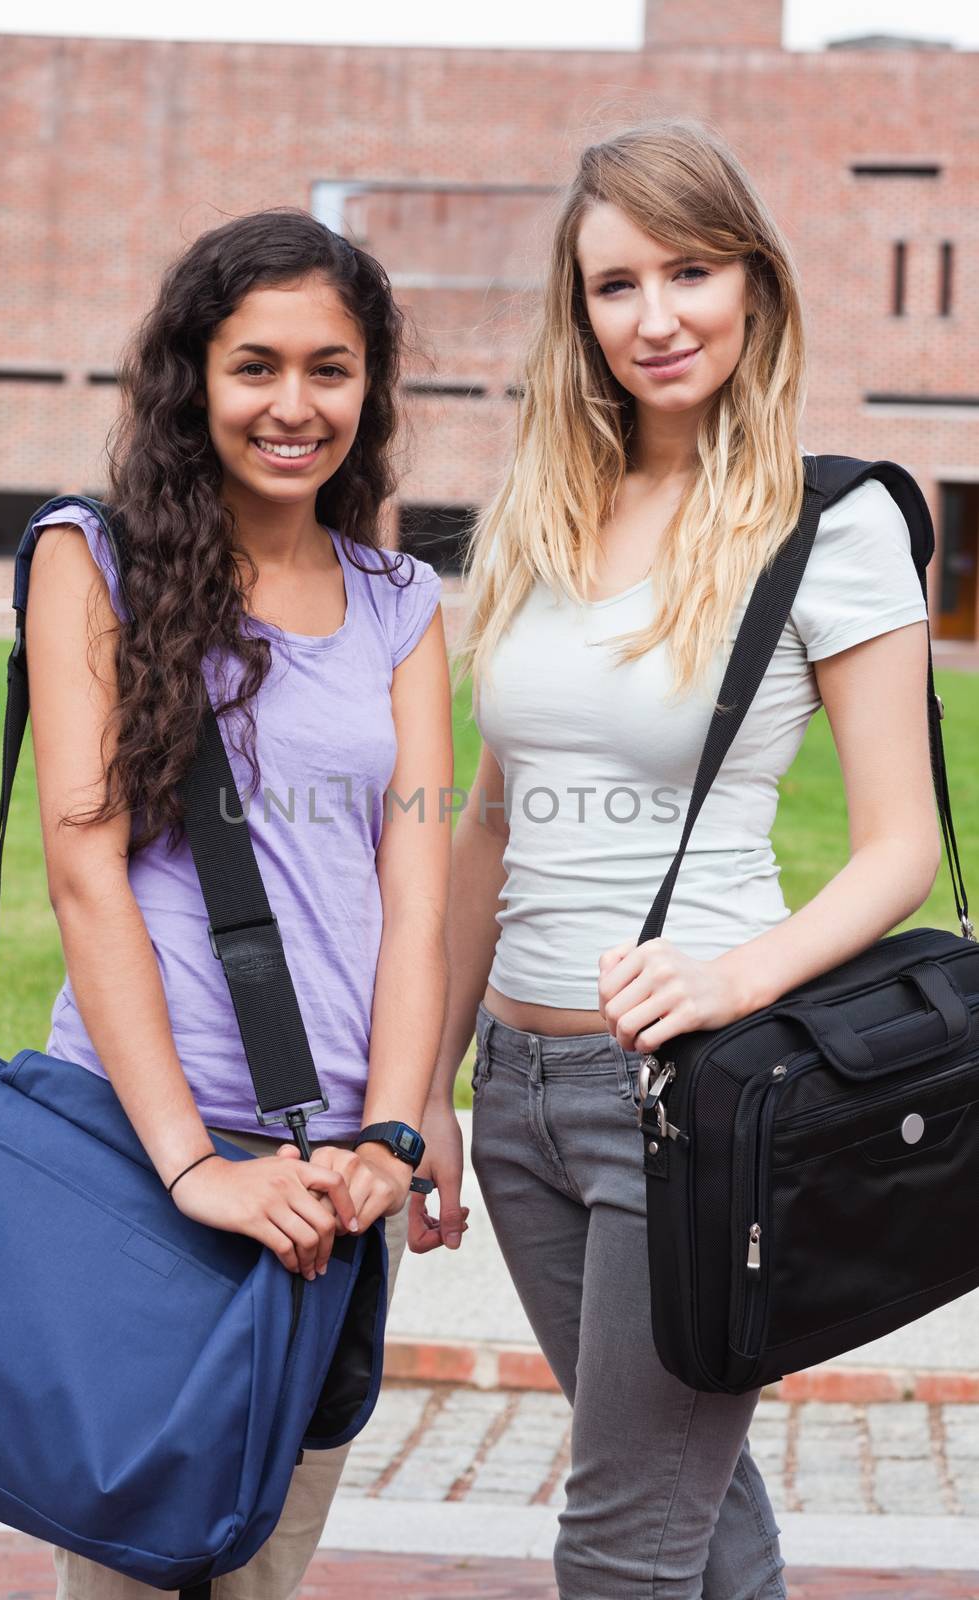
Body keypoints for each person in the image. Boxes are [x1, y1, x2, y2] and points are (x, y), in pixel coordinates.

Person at [411, 119, 940, 1599]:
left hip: (699, 1099)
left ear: (755, 285)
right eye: (615, 283)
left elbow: (898, 845)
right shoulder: (542, 509)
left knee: (620, 1542)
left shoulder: (831, 526)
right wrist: (435, 1095)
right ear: (574, 310)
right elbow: (490, 826)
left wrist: (728, 980)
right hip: (518, 1096)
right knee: (696, 1513)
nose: (656, 318)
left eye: (691, 270)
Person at [24, 210, 453, 1599]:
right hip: (152, 1156)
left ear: (370, 388)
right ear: (191, 379)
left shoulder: (400, 600)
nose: (293, 405)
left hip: (334, 1181)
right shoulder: (91, 560)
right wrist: (192, 1167)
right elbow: (85, 870)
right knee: (131, 1569)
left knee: (266, 1571)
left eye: (330, 369)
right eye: (254, 365)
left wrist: (390, 1132)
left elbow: (419, 882)